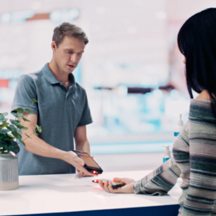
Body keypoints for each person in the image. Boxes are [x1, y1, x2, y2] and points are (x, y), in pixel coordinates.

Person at [99, 8, 216, 216]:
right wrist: (136, 186)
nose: (184, 61)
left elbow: (202, 192)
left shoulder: (207, 103)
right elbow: (178, 163)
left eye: (187, 53)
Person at [11, 23, 97, 178]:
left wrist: (86, 161)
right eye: (69, 52)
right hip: (32, 179)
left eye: (79, 54)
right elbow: (28, 138)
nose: (74, 59)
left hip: (68, 178)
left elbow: (82, 140)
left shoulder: (80, 93)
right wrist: (65, 155)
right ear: (54, 46)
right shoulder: (29, 83)